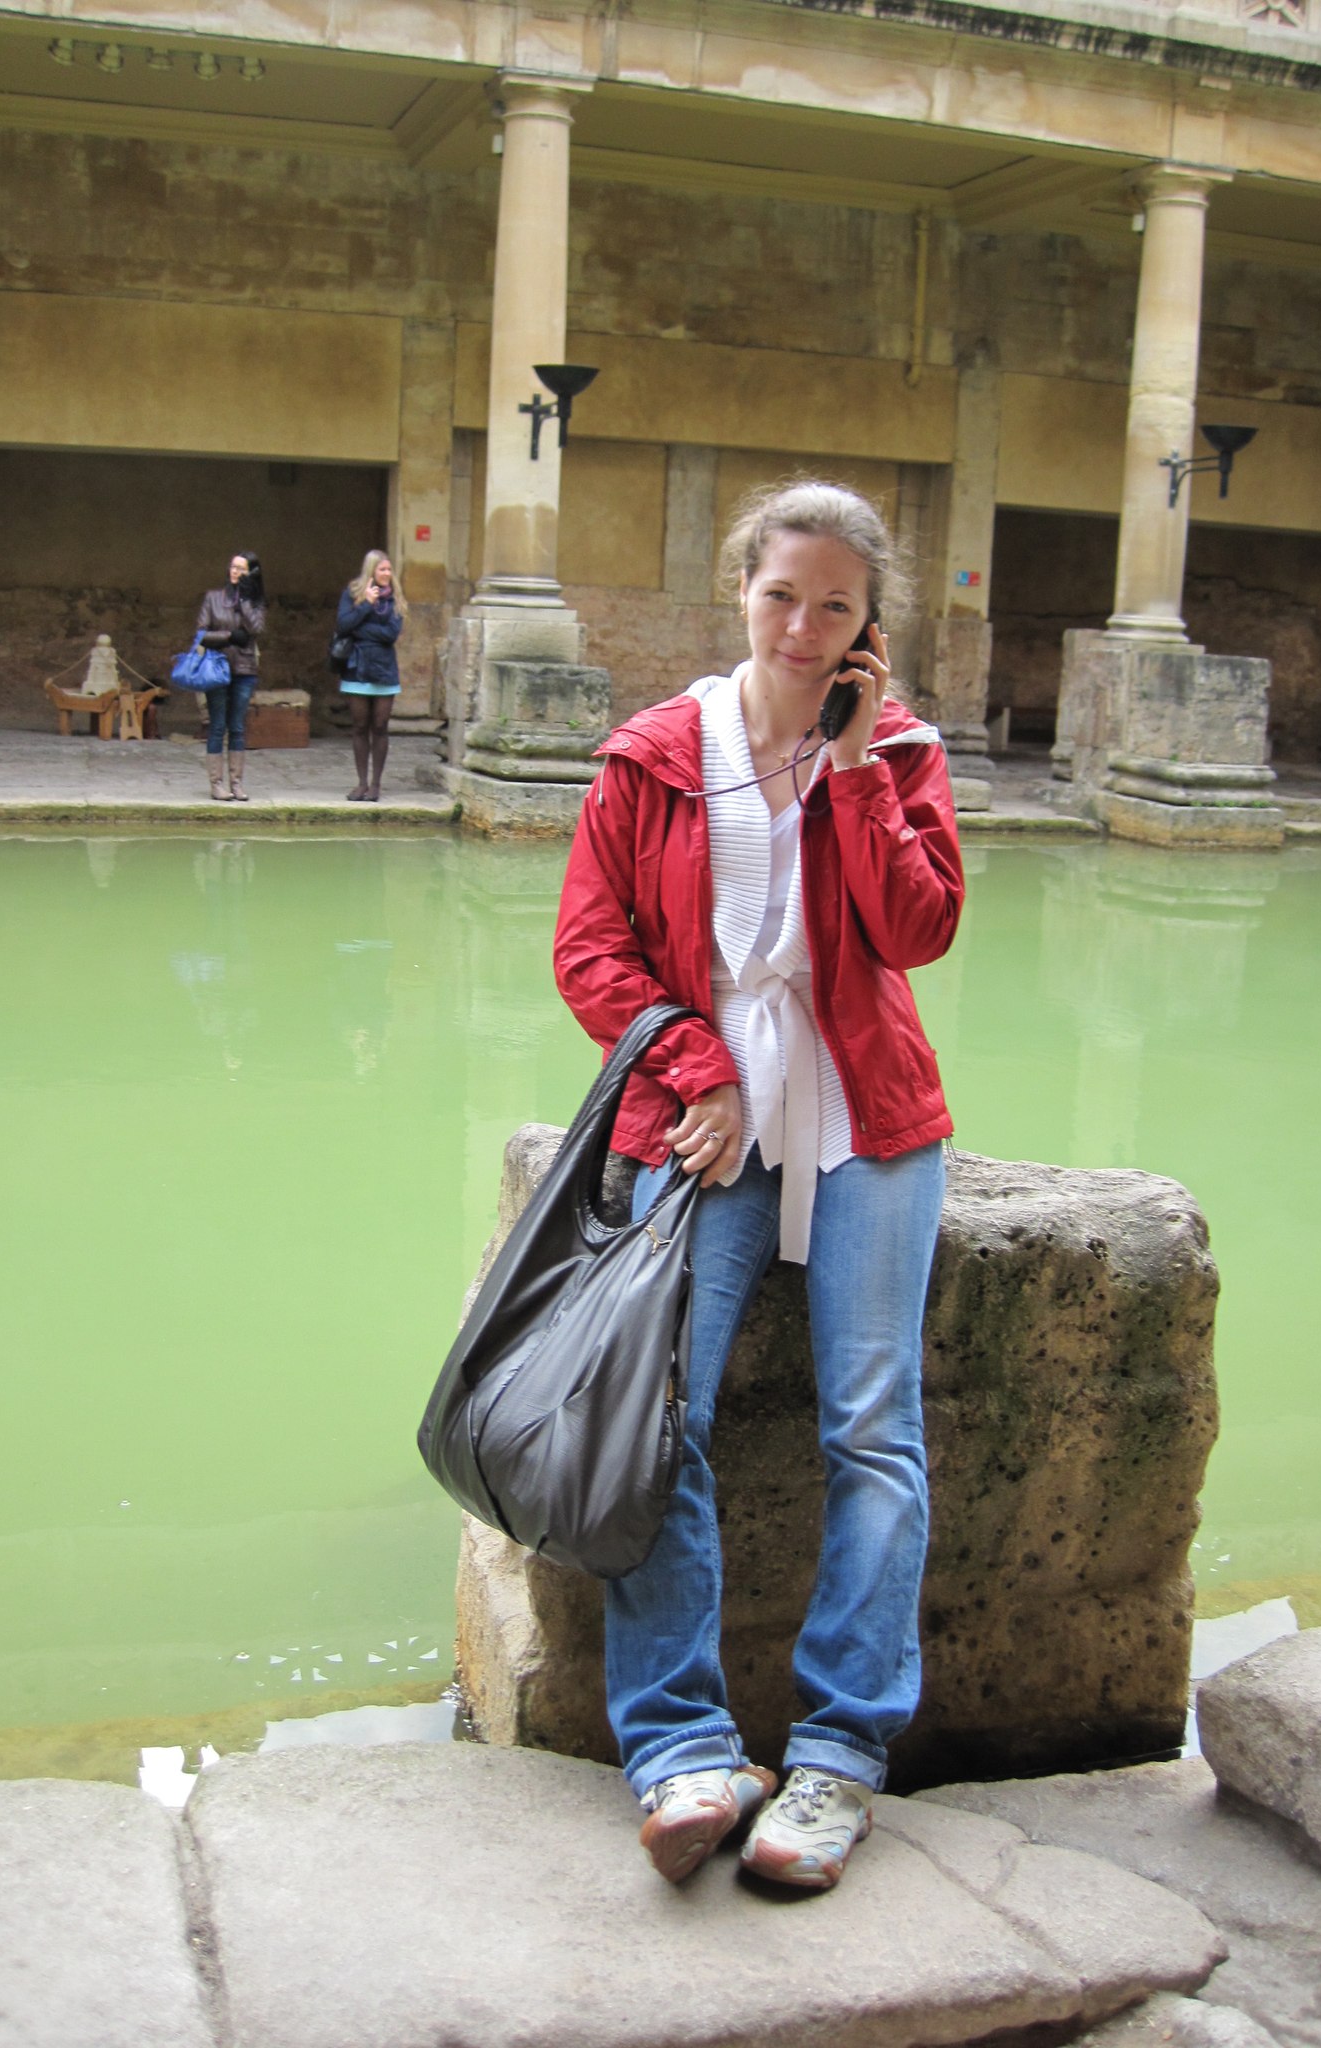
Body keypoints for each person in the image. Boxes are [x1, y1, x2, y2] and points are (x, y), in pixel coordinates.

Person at [553, 481, 965, 1893]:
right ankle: (684, 1747)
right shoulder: (656, 754)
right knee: (659, 1413)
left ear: (869, 627)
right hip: (704, 1111)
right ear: (741, 588)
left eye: (836, 605)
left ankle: (840, 1753)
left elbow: (921, 928)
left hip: (866, 1110)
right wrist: (700, 1067)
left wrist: (856, 772)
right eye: (782, 593)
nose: (802, 625)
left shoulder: (900, 750)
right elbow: (590, 950)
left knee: (874, 1427)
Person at [196, 552, 266, 802]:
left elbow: (256, 628)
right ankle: (216, 784)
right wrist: (228, 636)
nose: (236, 572)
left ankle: (236, 783)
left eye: (242, 569)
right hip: (217, 668)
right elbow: (202, 633)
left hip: (244, 669)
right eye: (234, 567)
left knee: (237, 727)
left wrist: (245, 600)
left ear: (251, 573)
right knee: (217, 725)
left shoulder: (255, 602)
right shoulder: (213, 598)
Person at [334, 551, 403, 801]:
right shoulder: (353, 593)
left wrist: (360, 629)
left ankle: (376, 784)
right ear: (371, 570)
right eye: (382, 569)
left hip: (384, 669)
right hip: (357, 667)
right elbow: (343, 625)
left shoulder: (395, 598)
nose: (387, 574)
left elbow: (391, 634)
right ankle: (362, 783)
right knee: (360, 726)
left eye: (389, 569)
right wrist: (365, 605)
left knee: (380, 726)